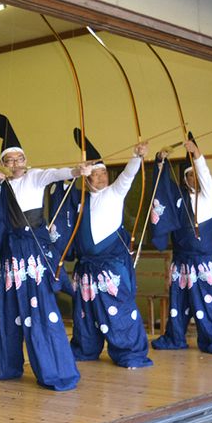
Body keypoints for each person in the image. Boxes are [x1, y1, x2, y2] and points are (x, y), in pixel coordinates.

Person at [0, 111, 87, 391]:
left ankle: (54, 368)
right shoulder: (0, 185)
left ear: (26, 160)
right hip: (11, 253)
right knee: (9, 310)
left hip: (33, 250)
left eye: (18, 159)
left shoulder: (35, 177)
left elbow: (57, 173)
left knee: (40, 310)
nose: (14, 164)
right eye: (8, 160)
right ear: (2, 163)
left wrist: (76, 171)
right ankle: (8, 365)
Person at [57, 129, 153, 368]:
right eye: (95, 175)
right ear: (86, 178)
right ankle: (85, 348)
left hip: (111, 266)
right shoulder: (80, 200)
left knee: (118, 309)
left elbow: (128, 177)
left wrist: (136, 157)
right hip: (87, 268)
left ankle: (130, 352)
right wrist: (78, 171)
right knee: (86, 313)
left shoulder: (114, 193)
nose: (100, 179)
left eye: (103, 174)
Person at [149, 136, 212, 355]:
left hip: (205, 262)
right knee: (179, 304)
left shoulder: (209, 195)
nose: (195, 179)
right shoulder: (178, 199)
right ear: (185, 179)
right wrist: (160, 162)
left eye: (196, 175)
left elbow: (206, 176)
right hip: (182, 262)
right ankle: (176, 337)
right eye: (190, 175)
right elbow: (163, 189)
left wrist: (197, 154)